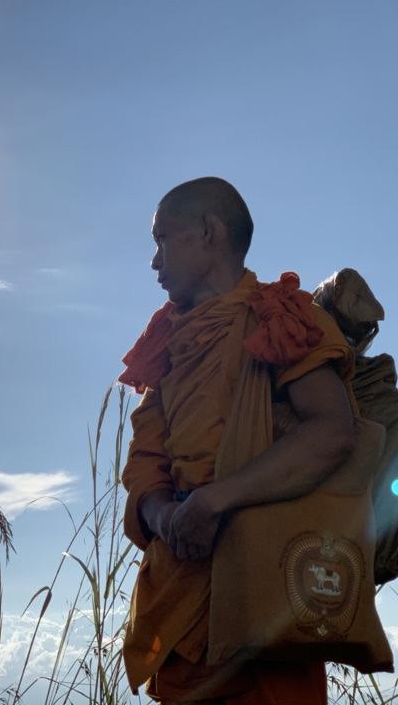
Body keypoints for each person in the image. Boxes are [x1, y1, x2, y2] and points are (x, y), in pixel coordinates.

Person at [118, 177, 365, 704]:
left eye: (162, 240)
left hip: (265, 601)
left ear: (209, 233)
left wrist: (215, 501)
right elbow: (144, 467)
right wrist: (168, 518)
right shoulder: (165, 342)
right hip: (182, 611)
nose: (154, 263)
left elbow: (332, 431)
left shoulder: (281, 317)